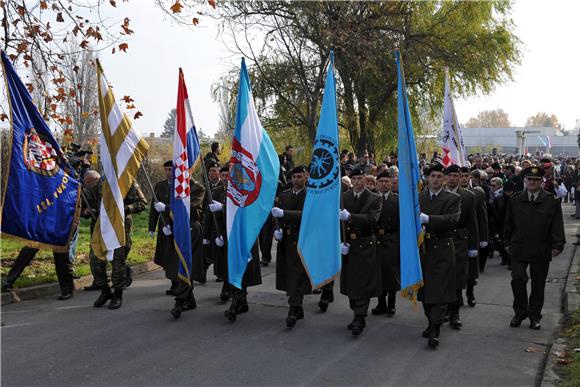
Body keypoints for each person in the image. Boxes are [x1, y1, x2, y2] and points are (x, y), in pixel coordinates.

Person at [504, 166, 565, 330]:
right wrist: (506, 243)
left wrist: (558, 245)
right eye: (529, 179)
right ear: (525, 181)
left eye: (536, 180)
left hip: (541, 248)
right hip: (519, 247)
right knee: (517, 279)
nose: (532, 182)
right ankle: (520, 312)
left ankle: (534, 316)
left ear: (541, 182)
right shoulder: (515, 199)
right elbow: (508, 224)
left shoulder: (550, 201)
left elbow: (557, 225)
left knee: (538, 285)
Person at [418, 163, 461, 349]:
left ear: (444, 179)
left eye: (439, 176)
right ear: (427, 178)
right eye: (432, 176)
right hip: (423, 248)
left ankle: (435, 328)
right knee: (426, 291)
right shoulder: (418, 198)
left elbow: (452, 220)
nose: (435, 179)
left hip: (442, 247)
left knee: (440, 291)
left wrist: (429, 219)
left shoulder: (453, 198)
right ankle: (431, 321)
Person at [89, 180, 147, 310]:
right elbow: (91, 199)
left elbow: (142, 203)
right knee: (95, 260)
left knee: (117, 263)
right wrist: (87, 210)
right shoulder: (101, 182)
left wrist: (125, 208)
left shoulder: (127, 180)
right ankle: (105, 291)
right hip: (101, 229)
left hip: (119, 230)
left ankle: (118, 294)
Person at [206, 190, 263, 322]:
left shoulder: (249, 192)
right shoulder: (222, 192)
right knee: (233, 269)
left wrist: (223, 207)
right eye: (224, 175)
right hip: (229, 236)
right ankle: (241, 302)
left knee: (241, 270)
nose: (227, 178)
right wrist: (214, 235)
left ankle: (236, 303)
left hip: (245, 236)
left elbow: (245, 211)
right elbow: (213, 218)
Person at [339, 167, 383, 336]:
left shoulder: (374, 198)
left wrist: (350, 217)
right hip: (349, 244)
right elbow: (338, 223)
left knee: (363, 281)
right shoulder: (344, 198)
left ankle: (359, 316)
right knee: (351, 281)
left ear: (365, 179)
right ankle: (356, 312)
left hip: (365, 244)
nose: (357, 182)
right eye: (354, 179)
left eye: (360, 178)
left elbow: (372, 219)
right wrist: (339, 243)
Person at [271, 165, 311, 328]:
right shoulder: (285, 194)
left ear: (306, 177)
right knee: (289, 274)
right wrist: (277, 229)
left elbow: (307, 215)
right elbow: (276, 215)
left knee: (297, 274)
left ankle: (293, 308)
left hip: (301, 239)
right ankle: (298, 306)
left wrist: (285, 214)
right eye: (294, 177)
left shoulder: (310, 195)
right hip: (286, 240)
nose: (296, 180)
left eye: (299, 177)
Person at [444, 165, 478, 330]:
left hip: (460, 241)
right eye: (449, 175)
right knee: (443, 277)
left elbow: (473, 222)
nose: (452, 178)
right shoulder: (437, 194)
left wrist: (473, 245)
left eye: (455, 175)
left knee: (458, 277)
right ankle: (443, 309)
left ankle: (454, 313)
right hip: (441, 239)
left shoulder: (468, 196)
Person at [372, 170, 400, 316]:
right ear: (376, 184)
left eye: (386, 181)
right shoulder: (372, 199)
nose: (384, 184)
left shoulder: (398, 200)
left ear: (391, 183)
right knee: (378, 273)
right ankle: (381, 303)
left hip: (392, 239)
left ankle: (392, 304)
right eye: (381, 182)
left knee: (391, 272)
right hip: (376, 239)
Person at [2, 246, 74, 300]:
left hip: (60, 227)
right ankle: (9, 280)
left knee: (60, 253)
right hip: (42, 227)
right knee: (30, 247)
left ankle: (67, 289)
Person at [149, 161, 178, 295]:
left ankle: (178, 283)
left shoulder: (180, 187)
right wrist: (151, 228)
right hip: (163, 226)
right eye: (166, 169)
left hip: (177, 226)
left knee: (175, 256)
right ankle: (173, 283)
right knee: (166, 255)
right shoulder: (159, 186)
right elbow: (153, 209)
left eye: (170, 169)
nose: (168, 172)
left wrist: (166, 209)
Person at [462, 168, 488, 306]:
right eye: (462, 176)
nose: (465, 179)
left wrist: (484, 237)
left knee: (471, 270)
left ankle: (470, 292)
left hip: (472, 234)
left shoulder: (477, 193)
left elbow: (482, 217)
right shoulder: (449, 193)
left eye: (467, 176)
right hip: (457, 236)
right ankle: (456, 298)